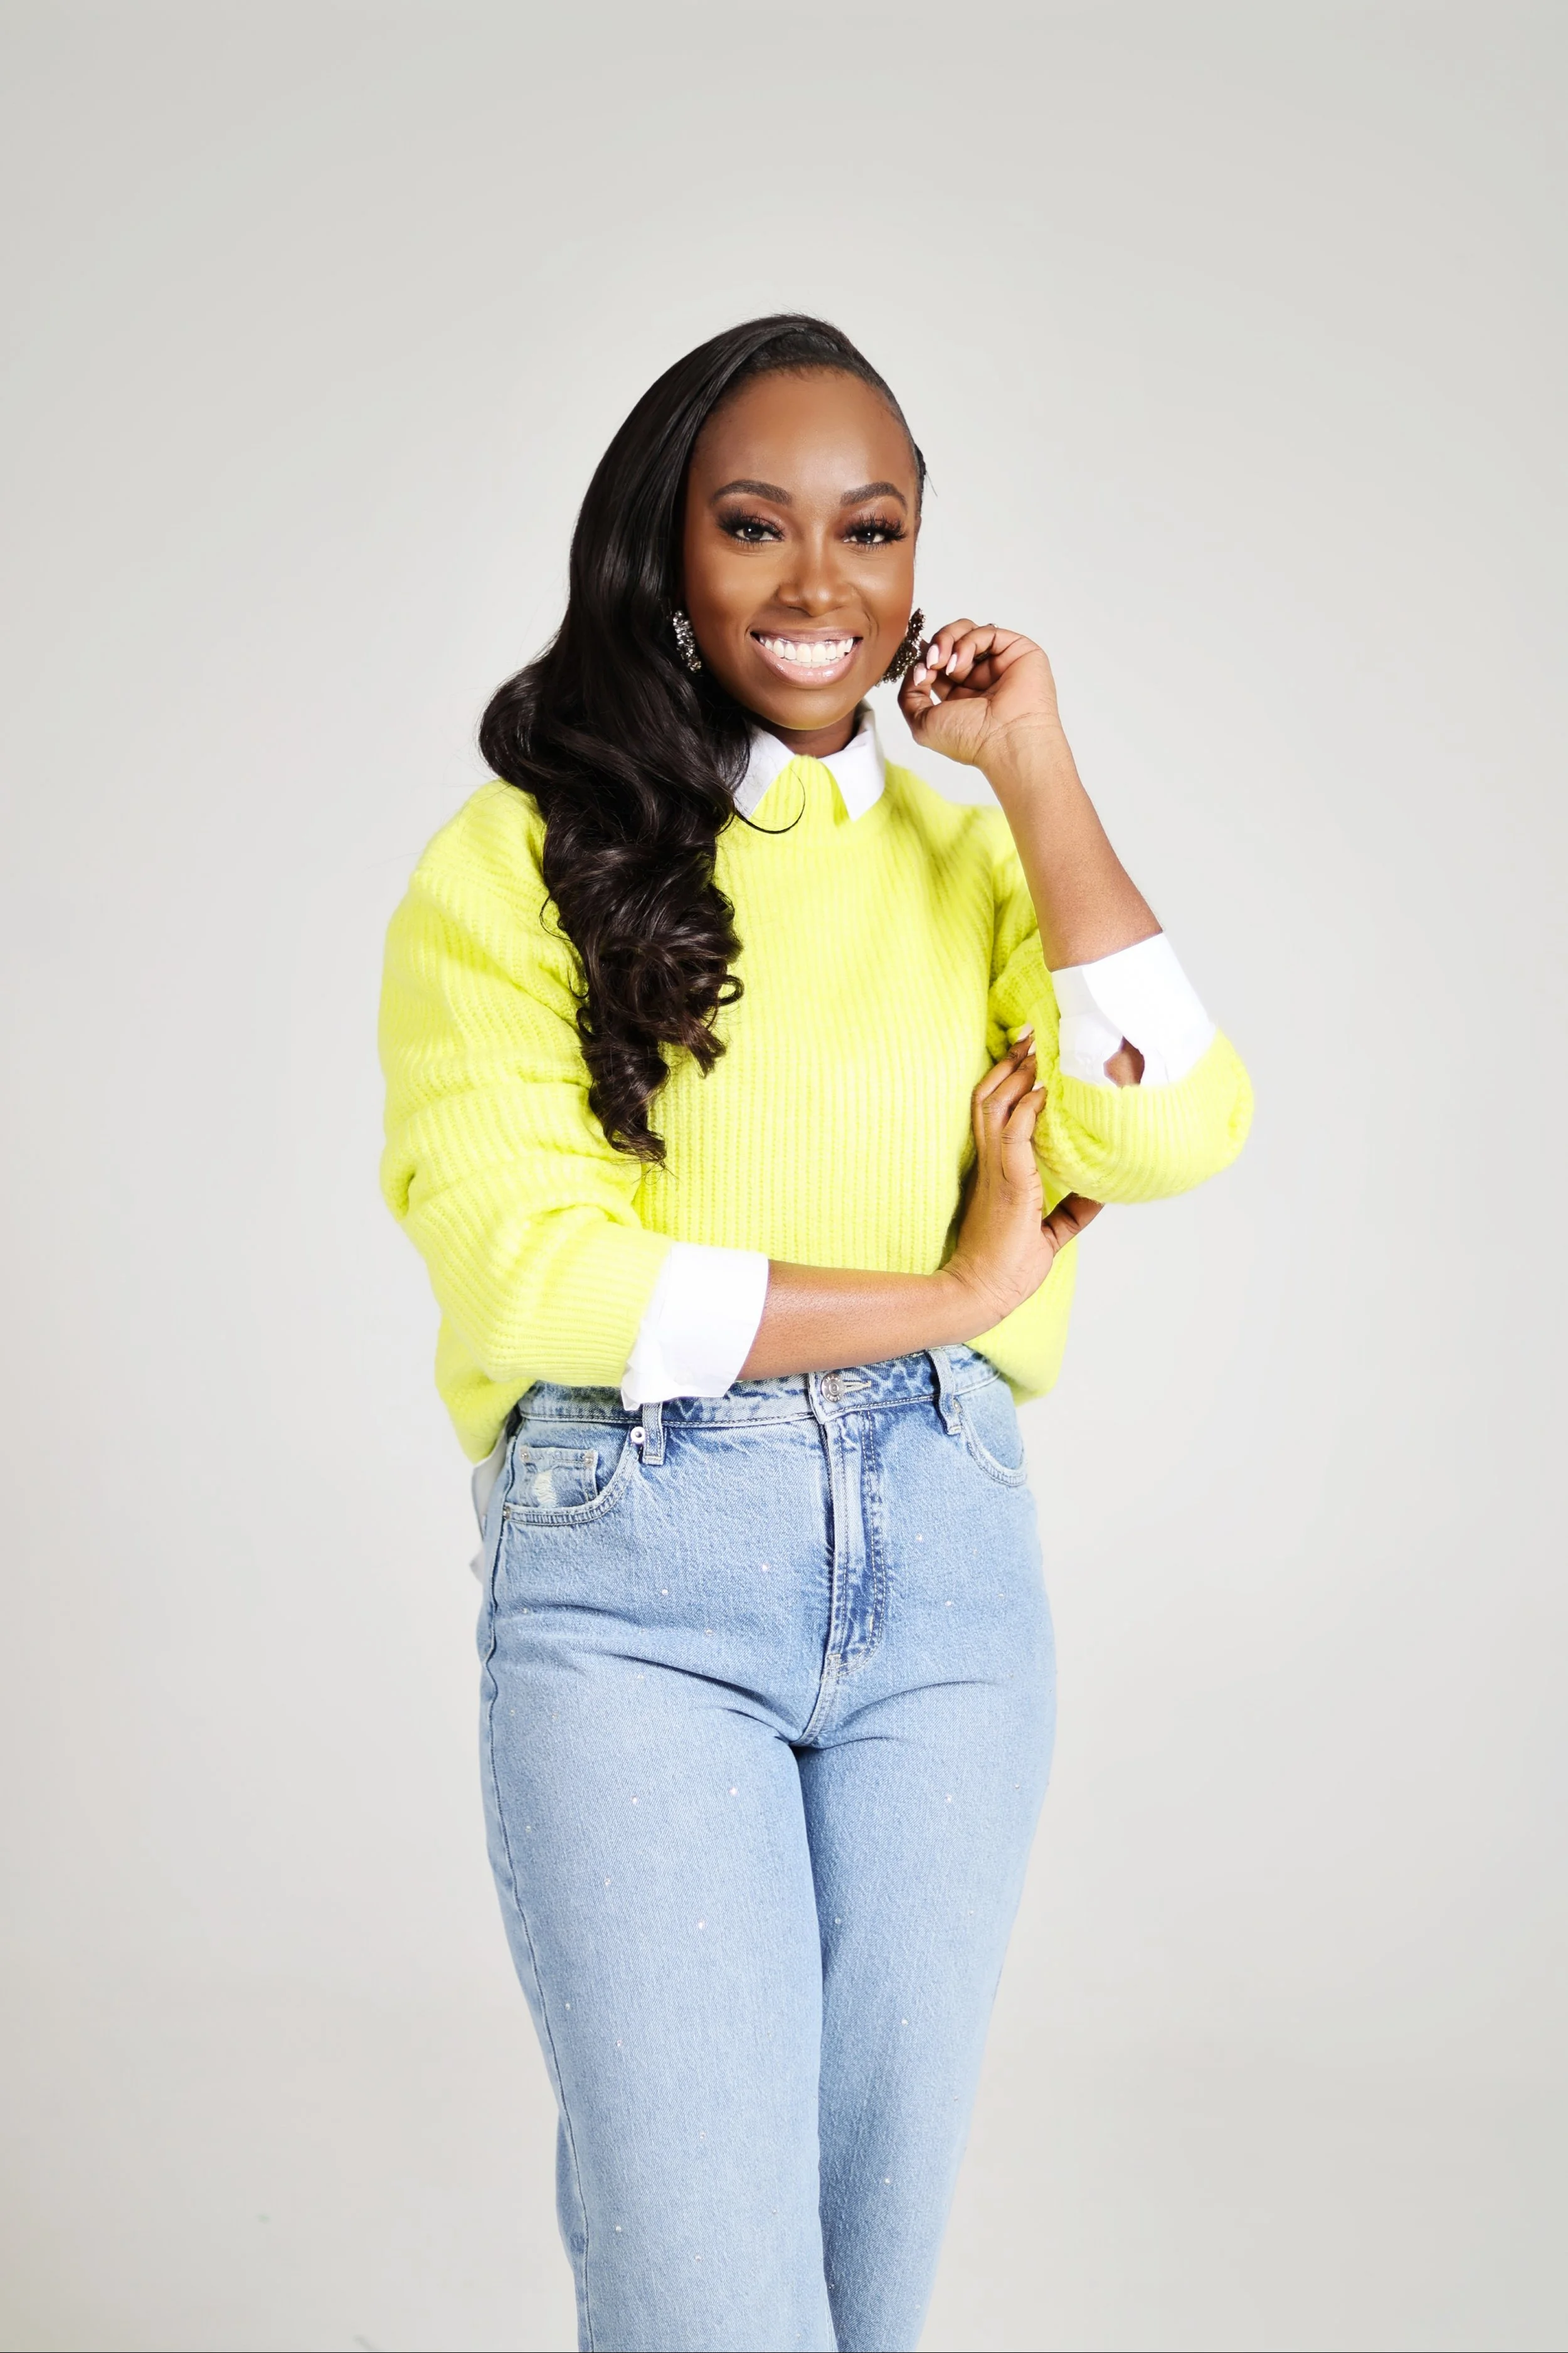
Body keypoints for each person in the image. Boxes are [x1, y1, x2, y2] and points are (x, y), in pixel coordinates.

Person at [378, 314, 1251, 2353]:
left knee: (862, 2301)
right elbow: (533, 1268)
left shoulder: (975, 851)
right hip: (635, 1582)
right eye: (753, 525)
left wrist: (1032, 762)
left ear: (921, 559)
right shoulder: (515, 858)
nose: (814, 585)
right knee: (712, 2296)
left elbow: (1172, 1116)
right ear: (664, 554)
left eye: (869, 531)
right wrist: (955, 1289)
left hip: (945, 1573)